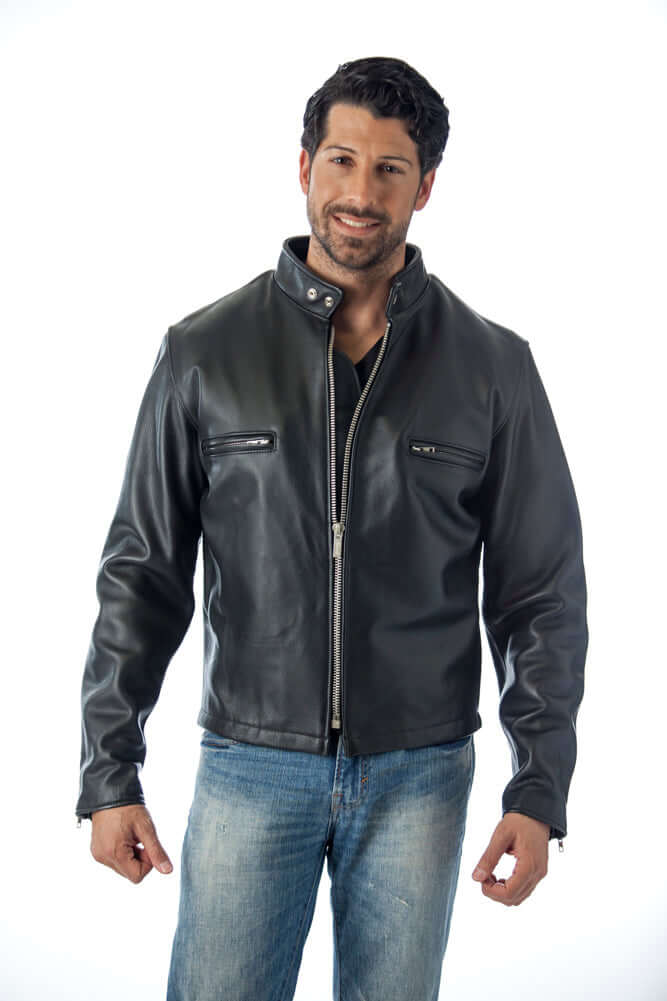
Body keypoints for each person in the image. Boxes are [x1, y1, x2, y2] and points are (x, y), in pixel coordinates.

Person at [76, 56, 588, 1000]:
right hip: (249, 764)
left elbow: (539, 594)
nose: (360, 192)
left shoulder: (493, 366)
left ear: (424, 187)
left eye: (390, 168)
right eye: (342, 160)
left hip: (420, 773)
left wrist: (538, 786)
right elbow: (142, 572)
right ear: (303, 165)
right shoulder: (203, 352)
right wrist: (109, 772)